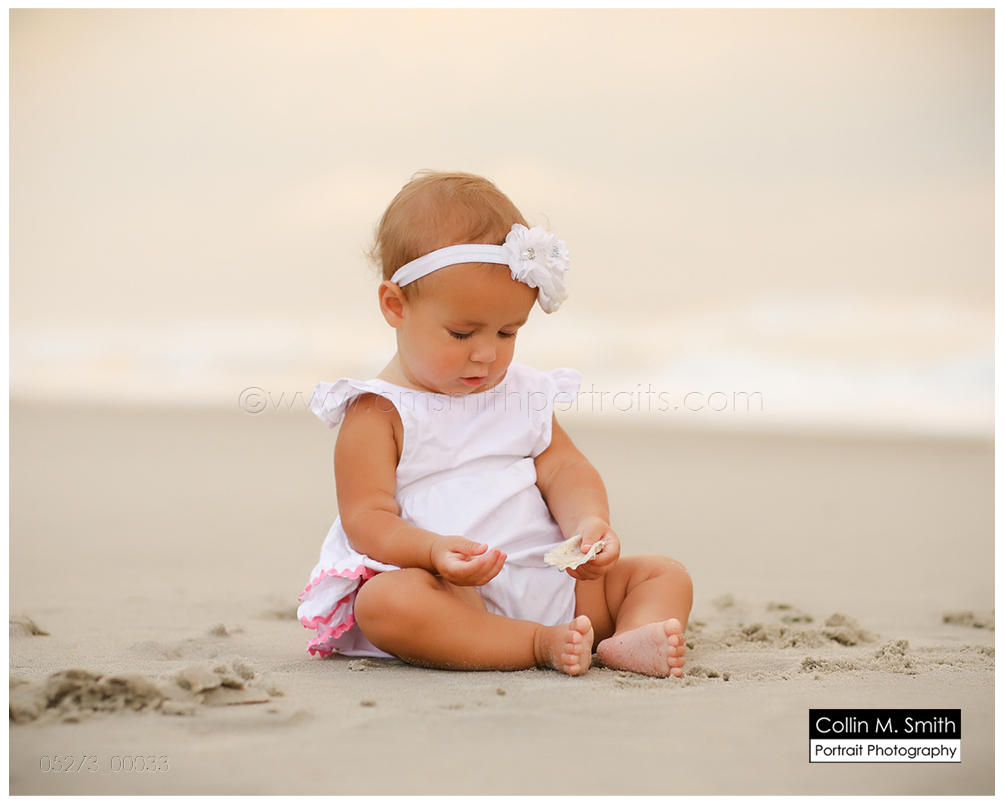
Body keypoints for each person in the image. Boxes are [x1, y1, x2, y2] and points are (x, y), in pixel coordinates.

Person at [297, 171, 692, 677]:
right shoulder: (378, 412)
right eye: (462, 333)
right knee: (384, 604)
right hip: (458, 596)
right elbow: (366, 521)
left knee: (663, 574)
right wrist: (434, 551)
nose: (486, 354)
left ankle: (634, 638)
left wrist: (589, 523)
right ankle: (533, 644)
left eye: (508, 332)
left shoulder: (522, 393)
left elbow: (564, 468)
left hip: (558, 581)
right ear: (395, 306)